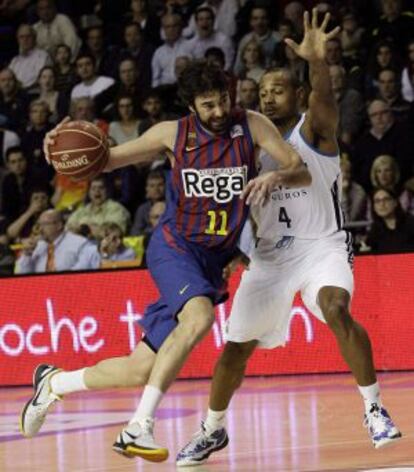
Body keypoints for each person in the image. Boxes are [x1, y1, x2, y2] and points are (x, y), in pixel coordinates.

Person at [19, 59, 311, 463]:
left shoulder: (253, 125)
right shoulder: (171, 134)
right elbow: (102, 159)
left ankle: (54, 383)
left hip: (212, 260)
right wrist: (59, 146)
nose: (219, 111)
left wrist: (273, 176)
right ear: (191, 106)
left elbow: (299, 169)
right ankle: (139, 426)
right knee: (200, 318)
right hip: (175, 246)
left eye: (223, 100)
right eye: (208, 105)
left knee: (140, 368)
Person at [176, 11, 402, 467]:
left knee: (337, 308)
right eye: (262, 93)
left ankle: (374, 407)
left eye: (278, 89)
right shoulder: (245, 146)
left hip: (323, 245)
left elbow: (323, 93)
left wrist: (317, 62)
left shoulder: (313, 130)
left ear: (296, 94)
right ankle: (212, 430)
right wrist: (231, 252)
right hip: (269, 258)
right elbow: (232, 206)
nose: (269, 97)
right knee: (235, 352)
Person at [16, 209, 100, 273]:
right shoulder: (37, 246)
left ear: (59, 225)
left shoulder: (80, 243)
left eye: (45, 224)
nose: (40, 229)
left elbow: (84, 271)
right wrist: (27, 254)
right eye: (39, 225)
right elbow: (23, 274)